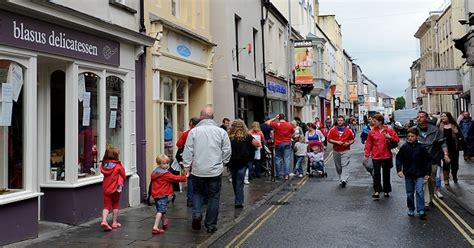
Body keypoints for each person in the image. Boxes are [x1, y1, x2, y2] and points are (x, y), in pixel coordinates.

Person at [182, 106, 231, 233]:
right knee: (214, 197)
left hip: (198, 170)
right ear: (213, 117)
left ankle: (197, 215)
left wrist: (186, 167)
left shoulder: (194, 132)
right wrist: (223, 163)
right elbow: (227, 150)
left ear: (201, 117)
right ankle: (210, 225)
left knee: (197, 193)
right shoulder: (221, 132)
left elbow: (188, 151)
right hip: (215, 170)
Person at [414, 111, 448, 210]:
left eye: (421, 117)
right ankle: (426, 202)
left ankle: (431, 197)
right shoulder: (414, 130)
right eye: (418, 117)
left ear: (426, 118)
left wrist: (446, 154)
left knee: (432, 180)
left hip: (433, 158)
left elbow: (443, 143)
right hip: (420, 160)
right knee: (424, 180)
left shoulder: (435, 130)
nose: (418, 119)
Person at [396, 128, 431, 219]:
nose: (410, 138)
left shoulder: (422, 147)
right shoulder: (404, 147)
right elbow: (398, 159)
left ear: (417, 137)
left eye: (412, 136)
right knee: (410, 193)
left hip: (420, 173)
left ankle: (421, 210)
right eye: (409, 136)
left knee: (419, 191)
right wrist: (399, 170)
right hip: (408, 173)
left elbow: (427, 161)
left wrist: (427, 173)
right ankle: (411, 208)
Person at [364, 114, 400, 199]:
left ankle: (386, 190)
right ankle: (377, 191)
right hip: (376, 156)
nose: (373, 122)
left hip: (386, 155)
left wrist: (389, 137)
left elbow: (397, 140)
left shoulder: (389, 130)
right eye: (372, 121)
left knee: (386, 174)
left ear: (380, 122)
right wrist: (366, 155)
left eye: (375, 121)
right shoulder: (372, 132)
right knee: (376, 173)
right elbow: (369, 144)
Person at [150, 154, 188, 234]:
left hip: (156, 194)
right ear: (159, 164)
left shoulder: (156, 171)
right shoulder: (165, 174)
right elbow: (175, 178)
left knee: (160, 209)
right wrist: (185, 177)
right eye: (164, 163)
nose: (167, 165)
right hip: (163, 194)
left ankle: (164, 222)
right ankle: (155, 227)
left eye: (167, 163)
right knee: (161, 210)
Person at [227, 120, 260, 208]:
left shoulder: (229, 137)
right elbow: (257, 144)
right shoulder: (247, 137)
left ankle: (238, 199)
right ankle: (238, 201)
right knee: (240, 181)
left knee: (234, 181)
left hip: (232, 162)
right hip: (243, 161)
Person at [176, 117, 201, 207]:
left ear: (191, 124)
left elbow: (178, 144)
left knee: (190, 180)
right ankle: (203, 199)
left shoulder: (187, 133)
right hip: (201, 158)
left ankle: (190, 200)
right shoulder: (202, 133)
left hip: (190, 159)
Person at [100, 147, 126, 231]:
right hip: (116, 188)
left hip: (106, 187)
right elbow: (124, 176)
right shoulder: (118, 166)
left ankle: (104, 220)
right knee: (115, 204)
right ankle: (114, 222)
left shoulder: (103, 165)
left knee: (106, 205)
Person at [327, 116, 355, 187]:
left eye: (341, 120)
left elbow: (352, 139)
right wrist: (336, 142)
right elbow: (329, 139)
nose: (339, 121)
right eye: (338, 120)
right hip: (336, 150)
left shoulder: (348, 130)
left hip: (346, 150)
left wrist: (348, 143)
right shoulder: (332, 130)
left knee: (344, 165)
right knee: (338, 167)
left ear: (344, 121)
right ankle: (341, 178)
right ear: (337, 121)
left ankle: (344, 180)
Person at [265, 113, 295, 180]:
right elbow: (293, 132)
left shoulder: (276, 124)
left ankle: (278, 174)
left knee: (278, 159)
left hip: (278, 144)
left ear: (279, 118)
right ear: (284, 117)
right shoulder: (289, 125)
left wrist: (274, 118)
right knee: (287, 159)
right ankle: (286, 175)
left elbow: (267, 123)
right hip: (287, 143)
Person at [439, 112, 462, 185]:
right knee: (446, 163)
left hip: (454, 147)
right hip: (443, 147)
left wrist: (457, 133)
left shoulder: (454, 125)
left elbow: (461, 137)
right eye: (442, 116)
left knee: (455, 164)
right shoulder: (439, 126)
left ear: (449, 117)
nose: (443, 118)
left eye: (444, 116)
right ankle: (446, 178)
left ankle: (454, 175)